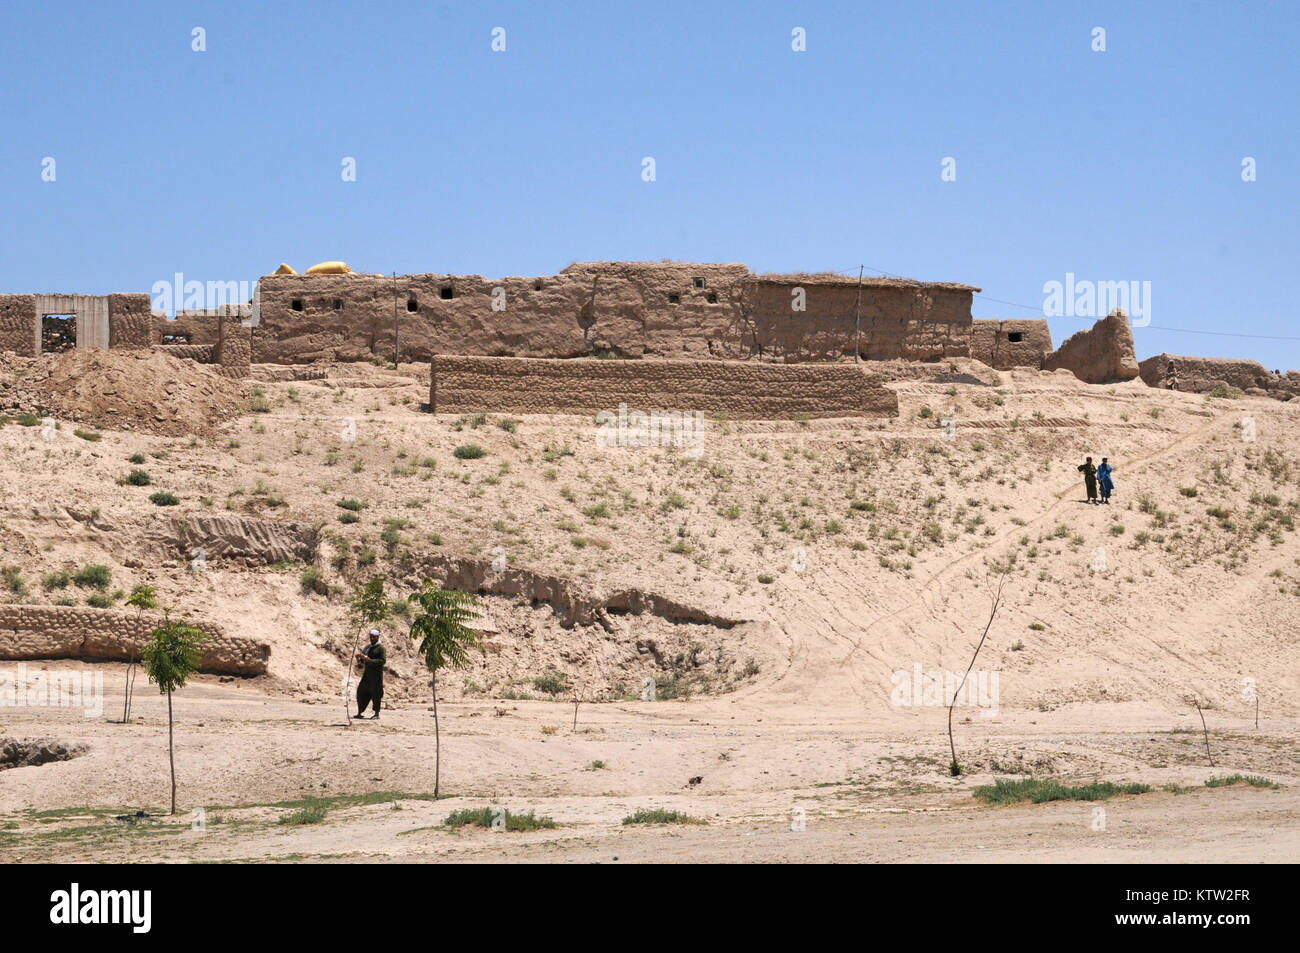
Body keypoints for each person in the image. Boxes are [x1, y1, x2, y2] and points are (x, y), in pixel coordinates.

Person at [355, 629, 386, 720]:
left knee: (376, 694)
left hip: (376, 675)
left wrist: (370, 661)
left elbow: (383, 661)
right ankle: (359, 712)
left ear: (377, 637)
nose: (372, 638)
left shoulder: (381, 648)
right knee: (361, 692)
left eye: (374, 637)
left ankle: (376, 713)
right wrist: (360, 659)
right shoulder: (367, 647)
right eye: (371, 636)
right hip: (367, 674)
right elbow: (362, 663)